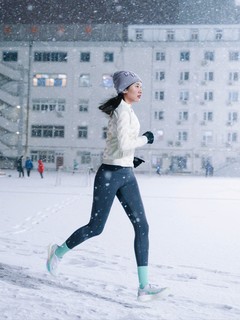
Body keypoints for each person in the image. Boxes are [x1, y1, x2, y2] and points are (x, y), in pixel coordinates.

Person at [46, 71, 165, 301]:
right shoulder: (121, 111)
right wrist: (146, 139)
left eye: (141, 85)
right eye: (136, 86)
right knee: (96, 227)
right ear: (124, 90)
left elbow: (119, 147)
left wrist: (130, 160)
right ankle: (57, 253)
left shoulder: (128, 110)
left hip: (125, 173)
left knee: (143, 227)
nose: (140, 89)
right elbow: (123, 143)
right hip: (110, 174)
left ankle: (143, 287)